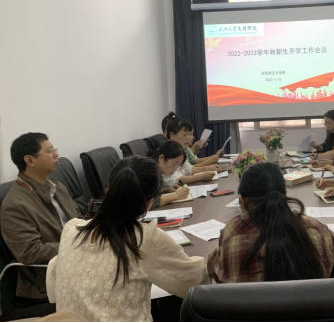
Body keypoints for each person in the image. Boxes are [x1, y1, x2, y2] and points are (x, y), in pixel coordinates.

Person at [47, 156, 209, 322]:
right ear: (150, 202)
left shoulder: (72, 230)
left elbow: (54, 289)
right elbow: (196, 282)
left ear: (108, 188)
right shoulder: (144, 239)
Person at [208, 162, 334, 283]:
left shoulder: (233, 233)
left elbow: (219, 275)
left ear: (241, 200)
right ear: (284, 195)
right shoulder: (315, 228)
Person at [0, 133, 82, 303]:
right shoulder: (15, 205)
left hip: (77, 261)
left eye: (55, 149)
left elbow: (78, 217)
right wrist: (77, 245)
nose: (56, 154)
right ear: (30, 160)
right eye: (50, 151)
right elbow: (30, 252)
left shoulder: (57, 186)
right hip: (48, 279)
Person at [145, 141, 192, 208]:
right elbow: (144, 203)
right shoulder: (148, 172)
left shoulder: (157, 171)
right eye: (175, 164)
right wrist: (176, 196)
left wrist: (163, 192)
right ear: (161, 158)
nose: (175, 169)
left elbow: (150, 196)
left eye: (178, 166)